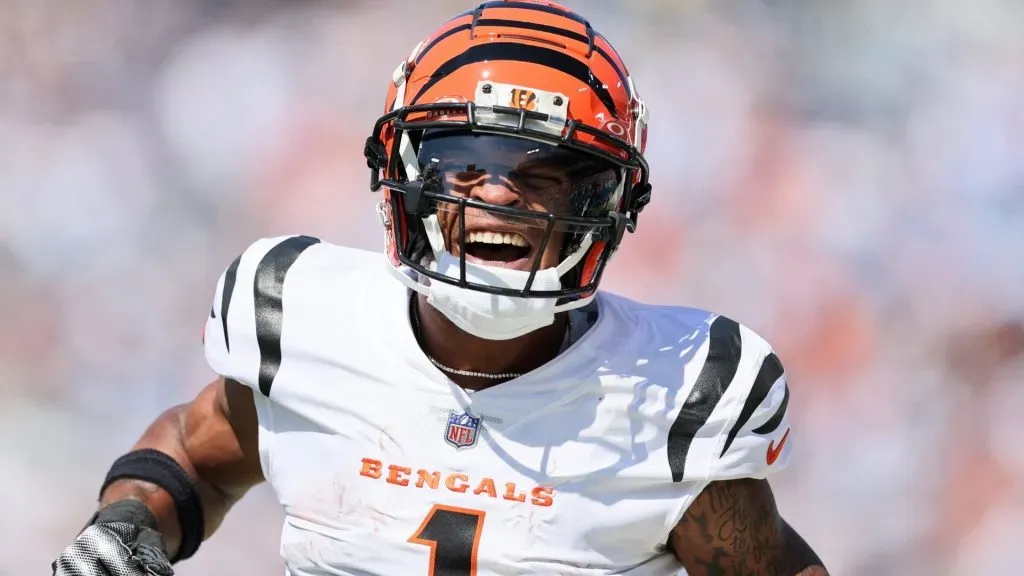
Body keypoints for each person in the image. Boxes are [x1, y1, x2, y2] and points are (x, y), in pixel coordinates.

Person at [52, 1, 829, 575]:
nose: (496, 195)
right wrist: (128, 524)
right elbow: (196, 452)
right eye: (465, 162)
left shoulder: (677, 395)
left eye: (543, 174)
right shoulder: (302, 317)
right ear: (405, 177)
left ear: (603, 205)